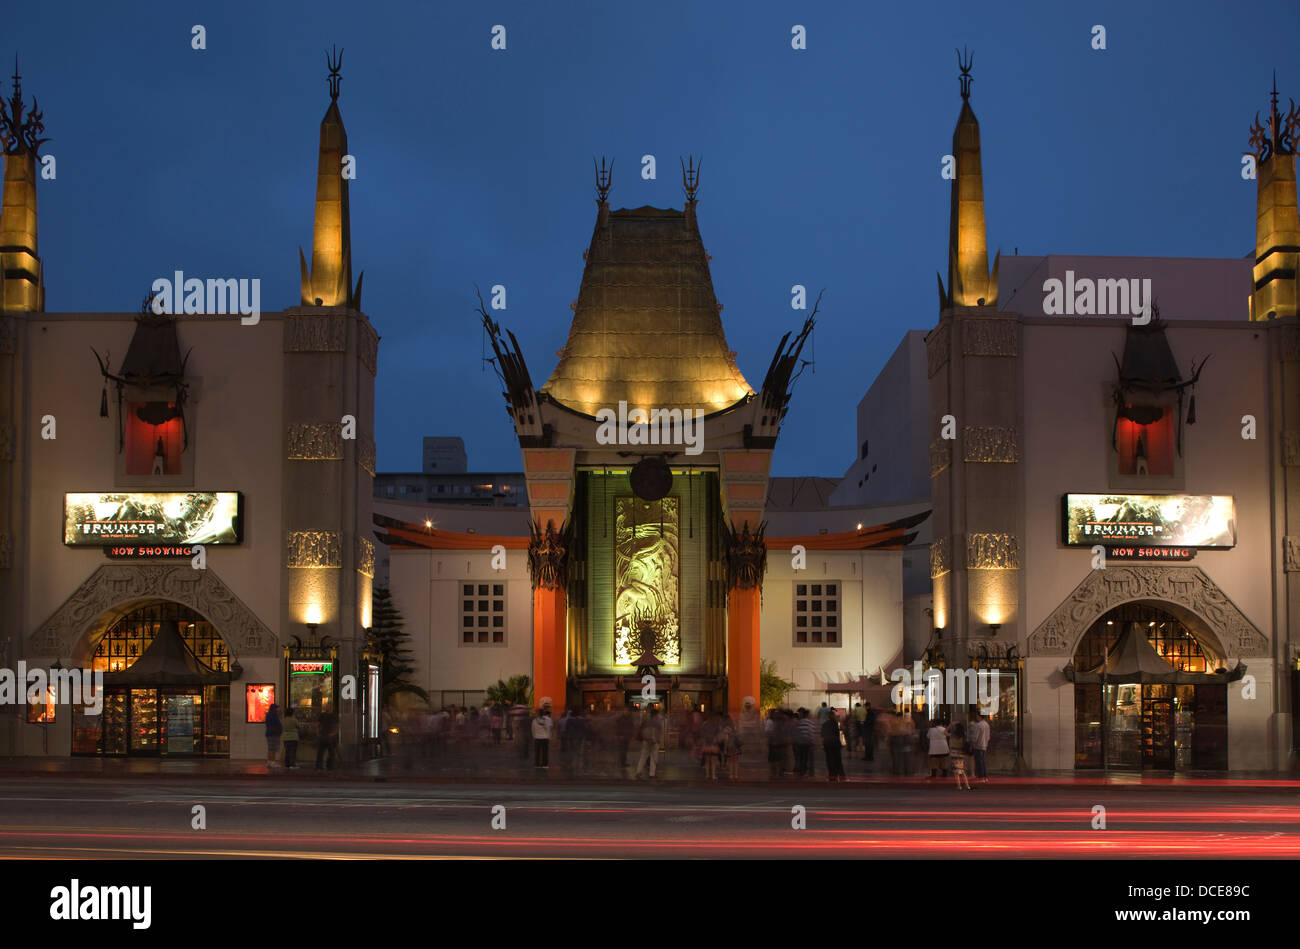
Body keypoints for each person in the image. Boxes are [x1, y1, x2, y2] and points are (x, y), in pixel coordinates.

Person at [636, 708, 662, 779]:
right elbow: (658, 733)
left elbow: (641, 730)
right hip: (654, 742)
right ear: (656, 715)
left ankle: (638, 772)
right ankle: (652, 774)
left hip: (646, 741)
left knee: (643, 756)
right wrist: (657, 740)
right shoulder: (657, 723)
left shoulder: (645, 721)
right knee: (653, 758)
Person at [822, 710, 846, 781]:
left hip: (828, 744)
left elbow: (823, 735)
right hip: (836, 744)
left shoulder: (825, 724)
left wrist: (823, 744)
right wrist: (843, 743)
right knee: (838, 760)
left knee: (829, 760)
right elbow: (841, 733)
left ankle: (832, 775)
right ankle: (841, 775)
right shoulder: (837, 724)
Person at [793, 708, 817, 777]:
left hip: (801, 743)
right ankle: (805, 771)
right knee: (805, 758)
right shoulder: (809, 722)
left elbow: (796, 732)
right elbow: (811, 732)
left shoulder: (799, 722)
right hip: (806, 743)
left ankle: (802, 771)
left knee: (802, 758)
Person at [948, 719, 971, 790]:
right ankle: (967, 785)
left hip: (954, 753)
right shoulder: (963, 736)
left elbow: (944, 732)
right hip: (961, 754)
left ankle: (959, 785)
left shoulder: (953, 735)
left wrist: (950, 725)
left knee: (956, 771)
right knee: (962, 770)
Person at [969, 709, 991, 782]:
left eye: (977, 716)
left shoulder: (978, 725)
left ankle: (981, 776)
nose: (976, 717)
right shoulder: (987, 724)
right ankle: (985, 776)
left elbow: (976, 737)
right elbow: (988, 736)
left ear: (979, 716)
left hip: (978, 745)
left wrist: (972, 743)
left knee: (979, 761)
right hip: (984, 744)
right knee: (982, 761)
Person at [700, 711, 721, 779]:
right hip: (713, 744)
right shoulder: (716, 725)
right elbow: (718, 734)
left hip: (707, 744)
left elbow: (702, 734)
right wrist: (715, 739)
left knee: (707, 760)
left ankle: (708, 774)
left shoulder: (704, 724)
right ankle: (713, 775)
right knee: (713, 760)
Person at [265, 703, 283, 768]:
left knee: (270, 748)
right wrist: (277, 731)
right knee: (273, 749)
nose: (278, 709)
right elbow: (273, 725)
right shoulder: (273, 715)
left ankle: (269, 762)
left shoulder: (269, 715)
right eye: (277, 708)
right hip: (273, 734)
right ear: (274, 709)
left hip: (270, 734)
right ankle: (272, 762)